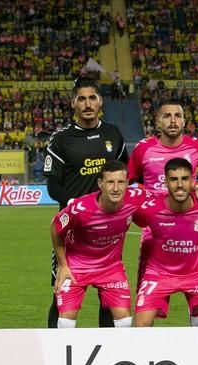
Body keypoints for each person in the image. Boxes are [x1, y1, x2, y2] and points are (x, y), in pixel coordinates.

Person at [128, 99, 198, 326]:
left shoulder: (196, 147)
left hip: (190, 226)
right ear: (157, 121)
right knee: (146, 303)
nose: (172, 120)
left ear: (184, 120)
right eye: (167, 115)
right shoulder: (143, 149)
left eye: (177, 115)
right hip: (154, 231)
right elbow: (126, 181)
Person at [43, 77, 128, 328]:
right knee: (62, 291)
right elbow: (53, 185)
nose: (88, 104)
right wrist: (75, 205)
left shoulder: (113, 133)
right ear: (73, 103)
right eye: (82, 99)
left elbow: (127, 171)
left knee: (109, 296)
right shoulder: (61, 139)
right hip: (72, 231)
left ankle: (109, 354)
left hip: (108, 229)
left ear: (100, 101)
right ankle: (54, 348)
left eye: (92, 98)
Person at [50, 161, 149, 328]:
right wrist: (63, 265)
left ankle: (117, 354)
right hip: (76, 267)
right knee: (65, 322)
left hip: (111, 267)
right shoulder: (80, 208)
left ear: (127, 183)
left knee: (124, 321)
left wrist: (195, 189)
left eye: (121, 182)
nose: (116, 188)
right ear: (100, 184)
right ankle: (66, 353)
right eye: (110, 182)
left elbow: (167, 197)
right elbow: (55, 227)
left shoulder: (136, 198)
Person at [132, 158, 198, 327]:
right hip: (159, 274)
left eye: (184, 179)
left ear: (192, 181)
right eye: (174, 180)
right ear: (166, 182)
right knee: (140, 326)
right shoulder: (149, 209)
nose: (180, 184)